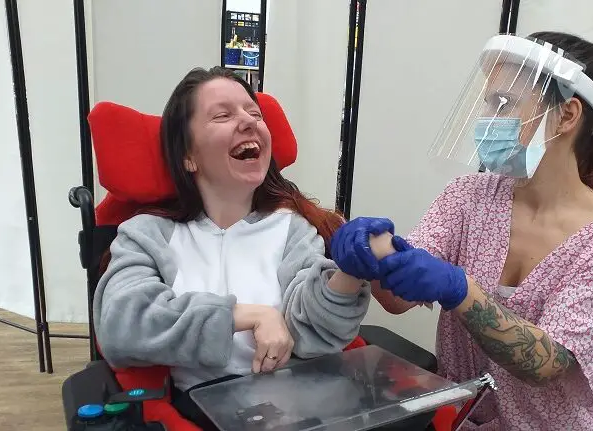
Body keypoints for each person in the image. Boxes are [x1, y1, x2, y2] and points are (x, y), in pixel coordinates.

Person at [329, 32, 593, 430]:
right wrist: (370, 253)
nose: (486, 119)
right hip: (463, 421)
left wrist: (462, 291)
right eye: (487, 102)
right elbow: (397, 298)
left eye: (503, 104)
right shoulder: (467, 197)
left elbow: (544, 364)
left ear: (567, 115)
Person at [92, 66, 378, 429]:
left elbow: (313, 334)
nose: (248, 121)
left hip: (305, 403)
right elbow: (122, 323)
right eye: (223, 115)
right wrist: (247, 315)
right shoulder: (148, 233)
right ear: (188, 157)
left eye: (254, 113)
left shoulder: (292, 228)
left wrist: (348, 276)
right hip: (209, 409)